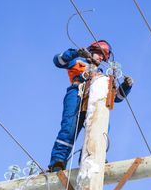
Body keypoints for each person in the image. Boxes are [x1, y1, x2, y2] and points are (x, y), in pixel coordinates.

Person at [48, 40, 133, 172]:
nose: (101, 58)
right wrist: (75, 53)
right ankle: (58, 161)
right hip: (77, 94)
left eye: (103, 57)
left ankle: (92, 155)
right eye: (99, 54)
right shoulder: (78, 62)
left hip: (95, 99)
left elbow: (116, 97)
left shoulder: (103, 76)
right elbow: (58, 61)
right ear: (91, 52)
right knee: (69, 127)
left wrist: (126, 86)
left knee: (101, 125)